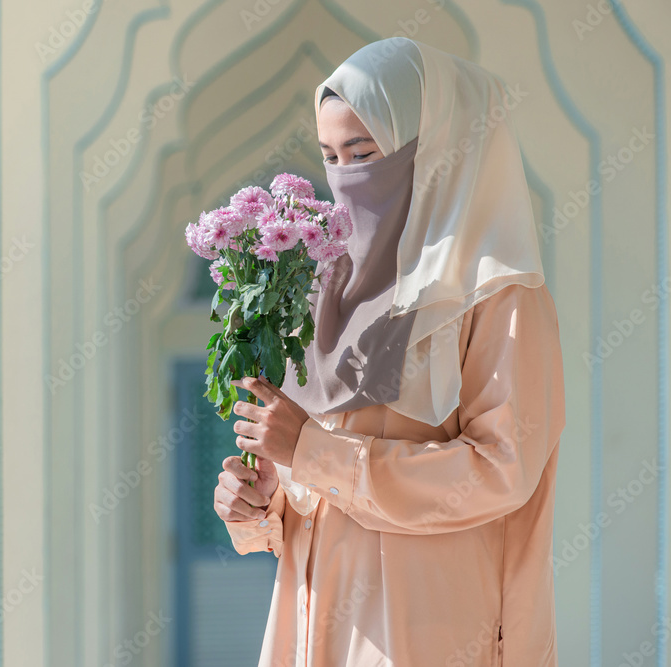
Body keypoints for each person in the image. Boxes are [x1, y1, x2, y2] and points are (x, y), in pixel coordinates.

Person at [213, 37, 564, 667]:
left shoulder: (499, 295)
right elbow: (314, 497)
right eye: (330, 156)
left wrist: (316, 453)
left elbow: (501, 471)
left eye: (365, 153)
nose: (346, 176)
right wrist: (261, 503)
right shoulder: (326, 290)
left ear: (431, 151)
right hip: (310, 631)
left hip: (429, 634)